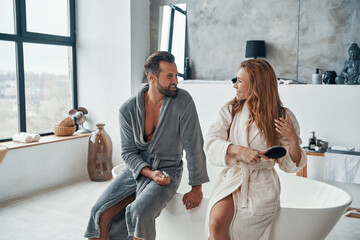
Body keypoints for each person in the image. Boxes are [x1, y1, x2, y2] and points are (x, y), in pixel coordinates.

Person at [84, 51, 209, 240]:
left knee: (139, 212)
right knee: (98, 212)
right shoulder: (127, 110)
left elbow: (194, 144)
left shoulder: (183, 101)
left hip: (168, 170)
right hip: (137, 170)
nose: (175, 80)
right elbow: (128, 152)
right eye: (169, 76)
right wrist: (150, 173)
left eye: (176, 75)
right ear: (151, 77)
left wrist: (196, 188)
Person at [204, 59, 307, 240]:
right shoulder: (231, 109)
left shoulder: (283, 117)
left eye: (240, 81)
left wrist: (293, 139)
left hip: (262, 186)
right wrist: (239, 150)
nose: (235, 85)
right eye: (236, 80)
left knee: (242, 233)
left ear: (257, 86)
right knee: (215, 224)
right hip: (234, 179)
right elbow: (211, 142)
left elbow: (290, 165)